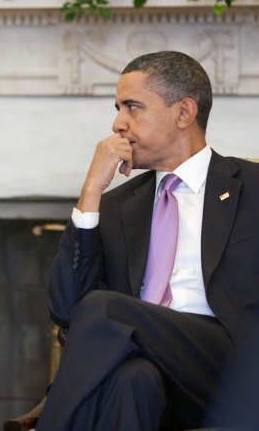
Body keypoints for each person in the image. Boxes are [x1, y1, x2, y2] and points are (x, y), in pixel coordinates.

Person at [36, 51, 259, 431]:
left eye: (132, 107)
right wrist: (91, 191)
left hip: (233, 369)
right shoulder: (118, 205)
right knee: (130, 379)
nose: (118, 123)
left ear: (184, 113)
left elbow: (96, 311)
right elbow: (67, 309)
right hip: (153, 370)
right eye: (118, 108)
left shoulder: (252, 187)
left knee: (105, 308)